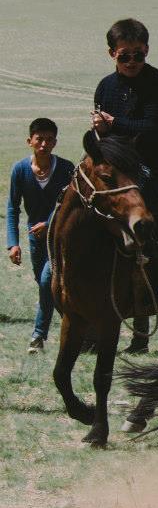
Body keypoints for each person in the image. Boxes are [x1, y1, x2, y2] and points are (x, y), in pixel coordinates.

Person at [92, 18, 158, 303]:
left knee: (142, 210)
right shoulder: (105, 86)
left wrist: (113, 123)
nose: (132, 62)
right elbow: (104, 135)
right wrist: (99, 129)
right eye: (124, 56)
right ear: (112, 54)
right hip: (114, 163)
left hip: (148, 162)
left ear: (147, 50)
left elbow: (155, 130)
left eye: (138, 55)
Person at [6, 118, 75, 353]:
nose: (44, 144)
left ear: (55, 142)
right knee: (47, 287)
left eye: (49, 139)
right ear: (30, 141)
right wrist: (13, 244)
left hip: (60, 238)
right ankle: (80, 331)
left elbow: (70, 206)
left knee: (47, 282)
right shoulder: (20, 170)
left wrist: (48, 223)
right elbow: (12, 208)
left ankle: (38, 336)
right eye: (39, 139)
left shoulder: (66, 169)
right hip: (36, 241)